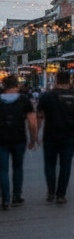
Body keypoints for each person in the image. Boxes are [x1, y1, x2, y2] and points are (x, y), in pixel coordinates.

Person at [37, 71, 74, 204]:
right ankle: (61, 194)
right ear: (69, 81)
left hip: (50, 133)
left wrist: (36, 134)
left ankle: (51, 191)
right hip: (69, 134)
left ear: (56, 80)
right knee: (66, 164)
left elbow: (40, 115)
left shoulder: (47, 96)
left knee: (50, 164)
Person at [0, 75, 38, 210]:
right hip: (18, 139)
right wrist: (33, 138)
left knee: (2, 170)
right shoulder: (24, 100)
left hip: (1, 140)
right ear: (16, 85)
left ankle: (5, 199)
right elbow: (32, 122)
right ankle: (16, 197)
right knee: (18, 168)